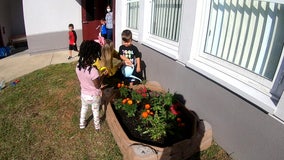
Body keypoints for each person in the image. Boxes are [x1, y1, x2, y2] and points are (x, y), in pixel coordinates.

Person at [76, 40, 108, 131]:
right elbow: (97, 86)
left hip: (84, 94)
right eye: (95, 55)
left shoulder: (78, 66)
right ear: (92, 56)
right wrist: (103, 76)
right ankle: (97, 126)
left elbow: (84, 78)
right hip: (94, 96)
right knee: (95, 111)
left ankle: (82, 124)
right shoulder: (93, 71)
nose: (96, 58)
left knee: (84, 108)